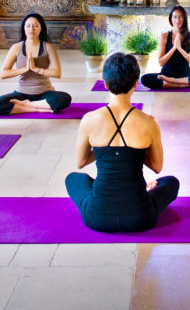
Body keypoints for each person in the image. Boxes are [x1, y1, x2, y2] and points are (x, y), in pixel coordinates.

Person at [65, 52, 180, 232]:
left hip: (96, 217)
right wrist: (134, 153)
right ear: (135, 83)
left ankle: (101, 189)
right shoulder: (149, 122)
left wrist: (105, 153)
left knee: (74, 178)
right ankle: (142, 190)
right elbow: (157, 167)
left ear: (105, 84)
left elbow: (80, 162)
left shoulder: (90, 119)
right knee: (171, 182)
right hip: (141, 217)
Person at [0, 12, 71, 115]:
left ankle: (24, 105)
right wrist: (25, 69)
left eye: (35, 25)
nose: (31, 29)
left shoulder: (48, 47)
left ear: (41, 28)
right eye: (28, 26)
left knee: (64, 99)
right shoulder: (16, 48)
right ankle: (35, 108)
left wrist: (36, 69)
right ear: (24, 28)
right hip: (21, 93)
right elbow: (3, 74)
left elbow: (57, 73)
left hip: (44, 93)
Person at [140, 5, 190, 89]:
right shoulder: (164, 36)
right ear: (171, 19)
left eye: (180, 17)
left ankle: (169, 83)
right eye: (175, 17)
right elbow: (161, 62)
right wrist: (174, 47)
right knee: (144, 79)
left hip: (185, 76)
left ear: (184, 19)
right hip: (166, 74)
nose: (177, 20)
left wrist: (180, 49)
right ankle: (184, 84)